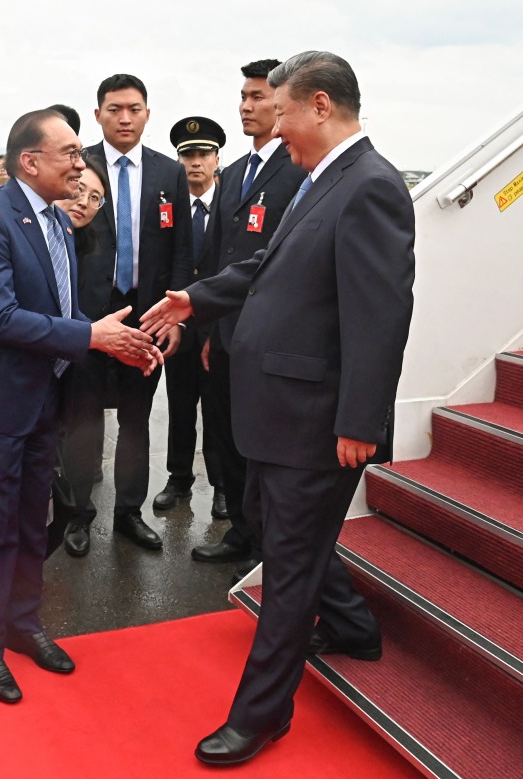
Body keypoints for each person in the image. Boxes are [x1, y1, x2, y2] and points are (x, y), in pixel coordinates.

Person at [140, 51, 416, 765]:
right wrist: (196, 298)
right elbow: (270, 266)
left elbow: (380, 315)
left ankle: (262, 714)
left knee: (288, 567)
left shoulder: (372, 187)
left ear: (320, 105)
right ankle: (353, 627)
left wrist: (361, 420)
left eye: (283, 111)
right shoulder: (321, 180)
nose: (273, 127)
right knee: (271, 528)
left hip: (317, 420)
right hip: (276, 410)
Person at [0, 108, 164, 704]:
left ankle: (25, 625)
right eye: (68, 152)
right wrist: (90, 337)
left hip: (44, 397)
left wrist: (112, 340)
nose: (79, 161)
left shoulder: (62, 223)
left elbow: (63, 311)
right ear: (29, 162)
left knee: (29, 522)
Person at [61, 73, 192, 557]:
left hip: (146, 320)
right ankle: (77, 514)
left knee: (136, 423)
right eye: (114, 109)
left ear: (147, 114)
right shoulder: (79, 169)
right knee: (83, 422)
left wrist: (173, 318)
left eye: (134, 108)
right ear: (97, 114)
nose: (124, 117)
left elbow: (181, 250)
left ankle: (129, 514)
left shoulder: (167, 173)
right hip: (87, 322)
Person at [189, 59, 308, 577]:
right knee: (227, 440)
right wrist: (212, 330)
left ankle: (268, 550)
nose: (246, 105)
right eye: (242, 96)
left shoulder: (300, 168)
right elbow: (218, 261)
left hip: (269, 338)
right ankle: (240, 529)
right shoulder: (233, 172)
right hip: (227, 337)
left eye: (258, 97)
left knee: (265, 448)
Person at [152, 116, 226, 519]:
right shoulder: (171, 207)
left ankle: (221, 485)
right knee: (180, 406)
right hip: (178, 326)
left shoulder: (232, 205)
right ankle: (178, 478)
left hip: (216, 325)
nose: (195, 162)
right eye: (188, 155)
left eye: (203, 154)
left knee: (217, 409)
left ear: (217, 159)